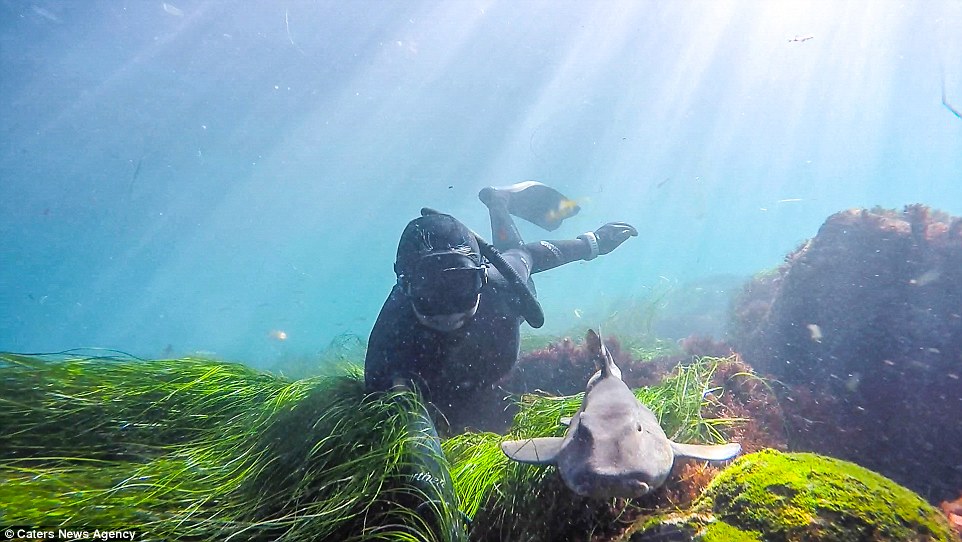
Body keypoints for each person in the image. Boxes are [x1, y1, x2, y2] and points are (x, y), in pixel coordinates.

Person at [364, 181, 637, 427]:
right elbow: (386, 398)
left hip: (505, 286)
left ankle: (497, 201)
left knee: (509, 255)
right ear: (405, 286)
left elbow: (524, 254)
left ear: (482, 275)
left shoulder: (503, 285)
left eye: (461, 286)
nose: (448, 310)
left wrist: (593, 243)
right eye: (431, 292)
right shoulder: (389, 339)